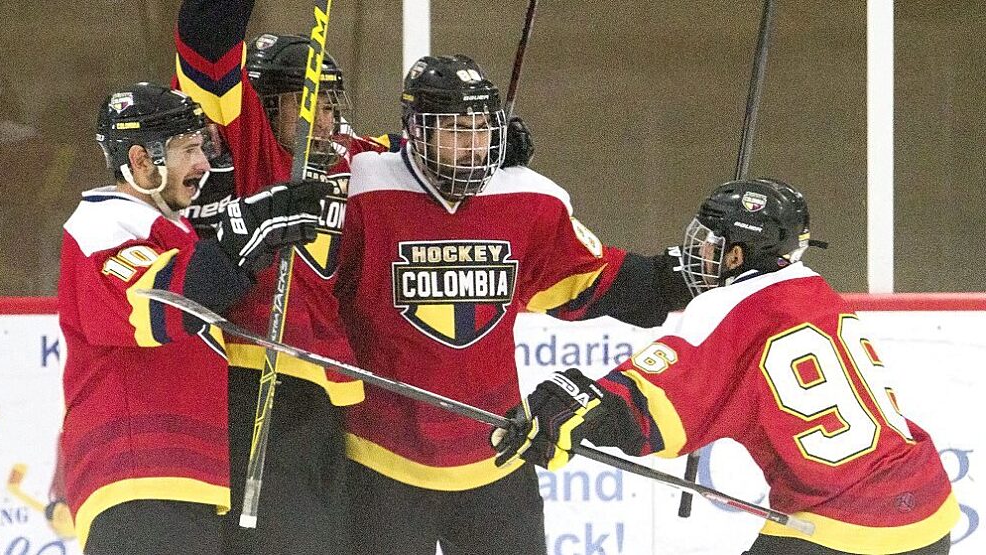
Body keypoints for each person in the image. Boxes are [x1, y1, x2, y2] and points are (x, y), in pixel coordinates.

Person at [333, 54, 692, 555]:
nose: (475, 145)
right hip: (378, 458)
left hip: (497, 451)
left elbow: (595, 280)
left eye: (483, 129)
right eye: (457, 130)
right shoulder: (362, 188)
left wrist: (687, 275)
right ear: (416, 130)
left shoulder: (528, 198)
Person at [493, 178, 959, 555]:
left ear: (737, 255)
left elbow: (648, 408)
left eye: (711, 244)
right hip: (929, 504)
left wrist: (578, 406)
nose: (699, 254)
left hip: (844, 526)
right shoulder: (812, 288)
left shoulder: (728, 307)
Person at [57, 82, 324, 554]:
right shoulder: (99, 226)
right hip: (135, 474)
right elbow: (162, 305)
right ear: (141, 161)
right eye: (188, 149)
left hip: (187, 477)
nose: (203, 164)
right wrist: (240, 239)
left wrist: (244, 242)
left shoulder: (172, 231)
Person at [174, 0, 395, 551]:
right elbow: (205, 35)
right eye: (306, 103)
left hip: (332, 393)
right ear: (268, 105)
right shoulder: (251, 145)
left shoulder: (347, 158)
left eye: (329, 105)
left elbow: (414, 154)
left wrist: (496, 143)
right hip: (255, 374)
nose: (323, 120)